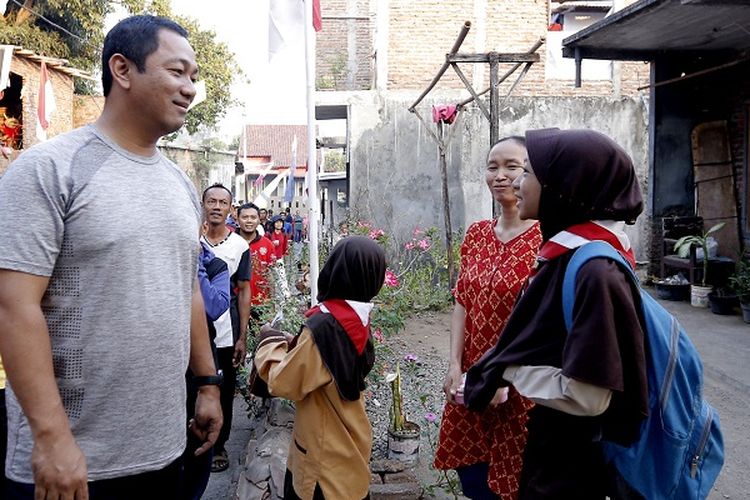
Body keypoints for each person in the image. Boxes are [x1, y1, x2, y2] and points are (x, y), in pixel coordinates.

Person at [0, 15, 222, 499]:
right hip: (73, 467)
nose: (189, 89)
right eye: (177, 72)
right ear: (122, 69)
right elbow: (13, 305)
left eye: (193, 78)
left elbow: (186, 290)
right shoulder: (52, 169)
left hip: (164, 449)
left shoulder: (180, 185)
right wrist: (52, 438)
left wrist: (207, 382)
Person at [464, 128, 648, 499]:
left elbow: (589, 396)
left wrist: (509, 368)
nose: (515, 181)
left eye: (528, 172)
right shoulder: (569, 254)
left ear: (565, 185)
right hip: (558, 456)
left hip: (576, 469)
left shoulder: (594, 269)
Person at [433, 137, 541, 499]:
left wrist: (507, 379)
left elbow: (546, 325)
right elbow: (462, 300)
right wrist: (453, 364)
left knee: (516, 484)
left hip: (520, 388)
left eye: (512, 166)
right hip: (473, 382)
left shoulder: (546, 240)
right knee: (475, 481)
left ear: (531, 174)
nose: (500, 176)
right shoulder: (477, 234)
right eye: (492, 167)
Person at [254, 236, 386, 500]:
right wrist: (300, 344)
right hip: (350, 448)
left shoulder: (325, 326)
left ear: (335, 269)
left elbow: (283, 382)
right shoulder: (356, 316)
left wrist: (269, 343)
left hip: (321, 466)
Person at [200, 183, 251, 474]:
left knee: (224, 386)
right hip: (192, 328)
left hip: (224, 328)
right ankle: (192, 439)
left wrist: (242, 336)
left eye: (222, 202)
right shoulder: (192, 239)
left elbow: (243, 291)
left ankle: (219, 445)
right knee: (192, 385)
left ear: (230, 209)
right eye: (211, 201)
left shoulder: (239, 247)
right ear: (203, 205)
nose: (216, 207)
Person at [182, 243, 230, 499]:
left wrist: (194, 266)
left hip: (198, 361)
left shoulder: (215, 266)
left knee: (196, 438)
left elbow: (213, 307)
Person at [236, 203, 276, 309]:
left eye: (253, 217)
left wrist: (273, 304)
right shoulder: (229, 242)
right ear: (237, 219)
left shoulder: (268, 245)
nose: (249, 220)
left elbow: (272, 275)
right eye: (245, 217)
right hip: (234, 302)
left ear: (259, 220)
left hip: (261, 303)